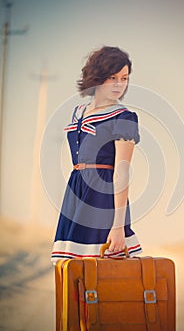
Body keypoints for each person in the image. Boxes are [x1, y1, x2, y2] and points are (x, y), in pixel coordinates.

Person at [51, 46, 142, 263]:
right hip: (76, 191)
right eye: (113, 77)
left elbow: (121, 172)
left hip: (102, 198)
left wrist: (118, 226)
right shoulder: (78, 112)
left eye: (124, 78)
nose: (120, 84)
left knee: (100, 272)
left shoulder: (124, 117)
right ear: (98, 76)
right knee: (72, 271)